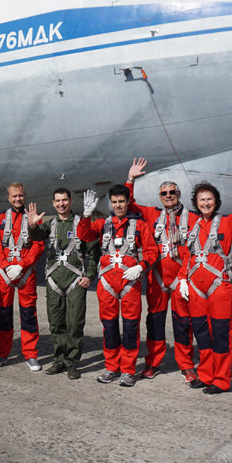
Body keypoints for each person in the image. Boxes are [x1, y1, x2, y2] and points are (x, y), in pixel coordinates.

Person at [77, 185, 158, 387]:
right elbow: (84, 236)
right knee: (110, 327)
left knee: (130, 328)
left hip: (130, 282)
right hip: (107, 283)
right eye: (114, 202)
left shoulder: (139, 225)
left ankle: (129, 370)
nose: (118, 205)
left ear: (128, 202)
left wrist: (141, 266)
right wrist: (86, 216)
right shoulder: (103, 224)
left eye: (121, 201)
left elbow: (151, 252)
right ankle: (112, 367)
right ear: (111, 203)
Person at [125, 158, 195, 383]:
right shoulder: (153, 216)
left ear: (179, 193)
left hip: (181, 280)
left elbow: (196, 250)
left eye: (172, 192)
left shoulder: (191, 218)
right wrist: (130, 180)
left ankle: (186, 365)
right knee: (154, 323)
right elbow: (130, 204)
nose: (168, 196)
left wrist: (185, 278)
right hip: (157, 279)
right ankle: (153, 363)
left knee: (183, 324)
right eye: (164, 193)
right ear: (159, 196)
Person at [184, 165, 232, 395]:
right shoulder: (192, 225)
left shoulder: (227, 223)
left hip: (219, 287)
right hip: (196, 288)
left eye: (209, 199)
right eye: (202, 199)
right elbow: (186, 254)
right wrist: (184, 280)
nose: (205, 203)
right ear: (196, 202)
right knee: (202, 335)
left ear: (216, 201)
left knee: (221, 334)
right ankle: (205, 374)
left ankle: (222, 380)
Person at [26, 188, 99, 380]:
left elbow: (93, 252)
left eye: (64, 200)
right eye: (57, 201)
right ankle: (59, 360)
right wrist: (32, 226)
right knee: (56, 323)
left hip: (76, 279)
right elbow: (36, 237)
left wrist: (90, 276)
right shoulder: (50, 224)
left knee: (74, 323)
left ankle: (72, 362)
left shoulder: (81, 225)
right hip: (54, 279)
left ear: (70, 201)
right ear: (53, 203)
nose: (61, 204)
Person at [0, 183, 45, 371]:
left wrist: (22, 265)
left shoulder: (33, 218)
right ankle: (2, 353)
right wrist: (5, 266)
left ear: (25, 196)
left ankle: (31, 354)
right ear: (8, 198)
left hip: (25, 272)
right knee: (4, 314)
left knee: (28, 314)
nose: (18, 199)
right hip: (5, 274)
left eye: (20, 196)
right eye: (14, 196)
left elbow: (38, 245)